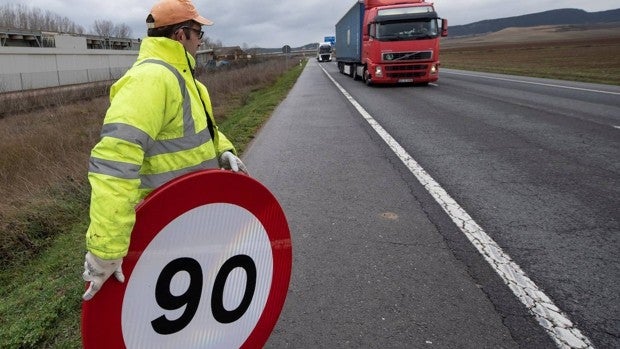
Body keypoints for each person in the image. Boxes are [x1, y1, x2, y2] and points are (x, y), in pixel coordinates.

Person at [82, 0, 248, 301]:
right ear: (181, 35)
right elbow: (115, 163)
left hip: (195, 218)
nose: (200, 42)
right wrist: (105, 250)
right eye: (199, 34)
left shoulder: (187, 81)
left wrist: (223, 150)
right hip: (162, 230)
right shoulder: (149, 80)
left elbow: (204, 132)